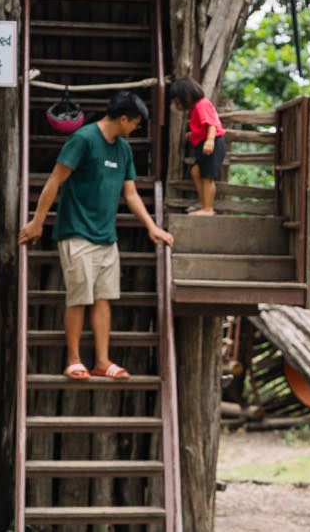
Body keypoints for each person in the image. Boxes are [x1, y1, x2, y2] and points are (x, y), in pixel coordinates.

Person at [18, 91, 174, 380]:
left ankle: (102, 361)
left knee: (103, 299)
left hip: (106, 237)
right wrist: (37, 222)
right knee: (79, 298)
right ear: (124, 117)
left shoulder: (123, 149)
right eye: (135, 123)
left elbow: (130, 193)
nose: (135, 129)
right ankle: (74, 359)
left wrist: (152, 227)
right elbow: (55, 180)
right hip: (76, 232)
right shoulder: (83, 139)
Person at [169, 76, 227, 216]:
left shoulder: (202, 104)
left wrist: (209, 140)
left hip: (213, 143)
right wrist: (193, 134)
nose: (176, 103)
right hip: (205, 144)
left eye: (177, 99)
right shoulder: (196, 108)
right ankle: (202, 202)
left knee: (207, 177)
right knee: (196, 172)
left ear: (185, 95)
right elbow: (202, 127)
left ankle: (208, 209)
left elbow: (211, 124)